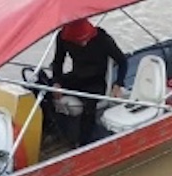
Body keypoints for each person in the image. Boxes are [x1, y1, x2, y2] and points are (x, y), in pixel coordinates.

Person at [51, 18, 128, 146]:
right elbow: (58, 62)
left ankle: (83, 142)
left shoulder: (102, 38)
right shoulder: (62, 38)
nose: (83, 43)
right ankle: (55, 129)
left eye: (86, 39)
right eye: (79, 41)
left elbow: (122, 61)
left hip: (96, 81)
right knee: (46, 88)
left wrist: (118, 83)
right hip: (77, 76)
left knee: (89, 107)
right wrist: (56, 83)